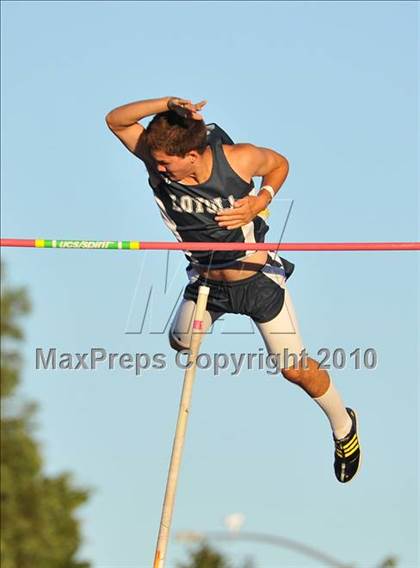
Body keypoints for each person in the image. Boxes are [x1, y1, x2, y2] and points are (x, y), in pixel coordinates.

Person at [106, 96, 361, 483]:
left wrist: (260, 200)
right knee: (181, 343)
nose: (156, 168)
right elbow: (115, 121)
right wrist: (167, 102)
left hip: (256, 280)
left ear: (193, 155)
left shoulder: (236, 160)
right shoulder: (156, 157)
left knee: (294, 370)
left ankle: (344, 425)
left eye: (164, 163)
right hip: (207, 282)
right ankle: (200, 311)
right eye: (155, 161)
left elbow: (278, 165)